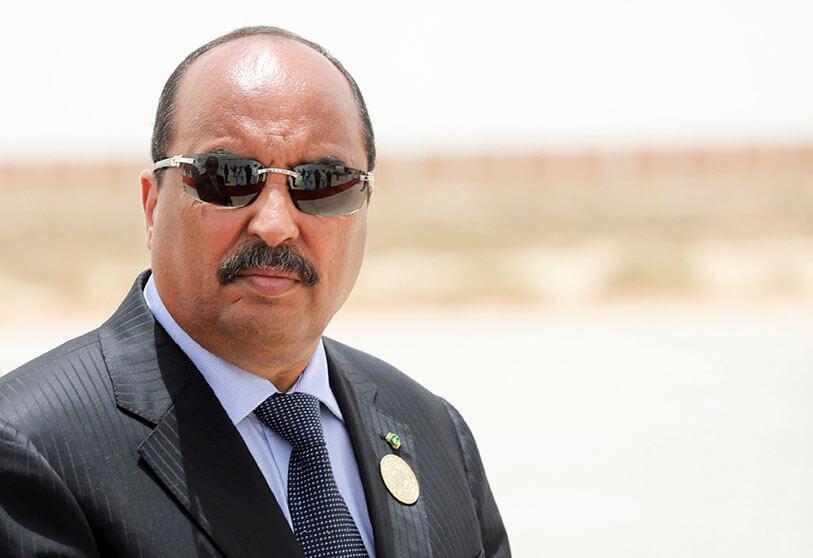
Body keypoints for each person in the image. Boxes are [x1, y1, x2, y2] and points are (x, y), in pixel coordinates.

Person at [0, 26, 509, 558]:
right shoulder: (31, 454)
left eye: (322, 183)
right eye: (226, 177)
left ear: (363, 207)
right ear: (152, 206)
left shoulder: (434, 433)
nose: (275, 225)